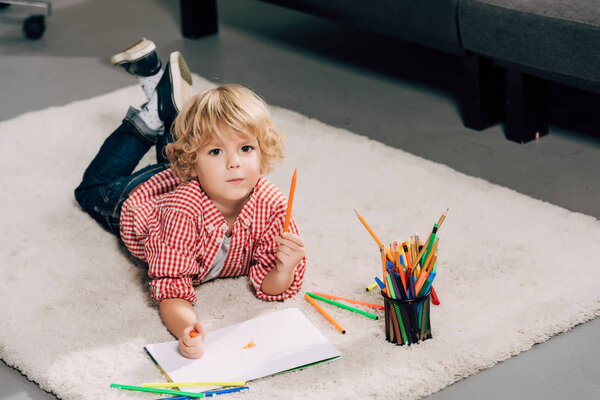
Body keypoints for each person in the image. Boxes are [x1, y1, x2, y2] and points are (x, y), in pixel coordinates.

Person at [74, 38, 307, 359]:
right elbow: (171, 288)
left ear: (262, 151)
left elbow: (270, 285)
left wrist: (285, 269)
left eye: (246, 148)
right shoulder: (181, 213)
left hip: (188, 171)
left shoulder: (273, 204)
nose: (234, 162)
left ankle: (164, 99)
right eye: (217, 152)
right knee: (89, 190)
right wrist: (186, 327)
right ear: (194, 165)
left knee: (192, 141)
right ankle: (150, 119)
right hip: (140, 196)